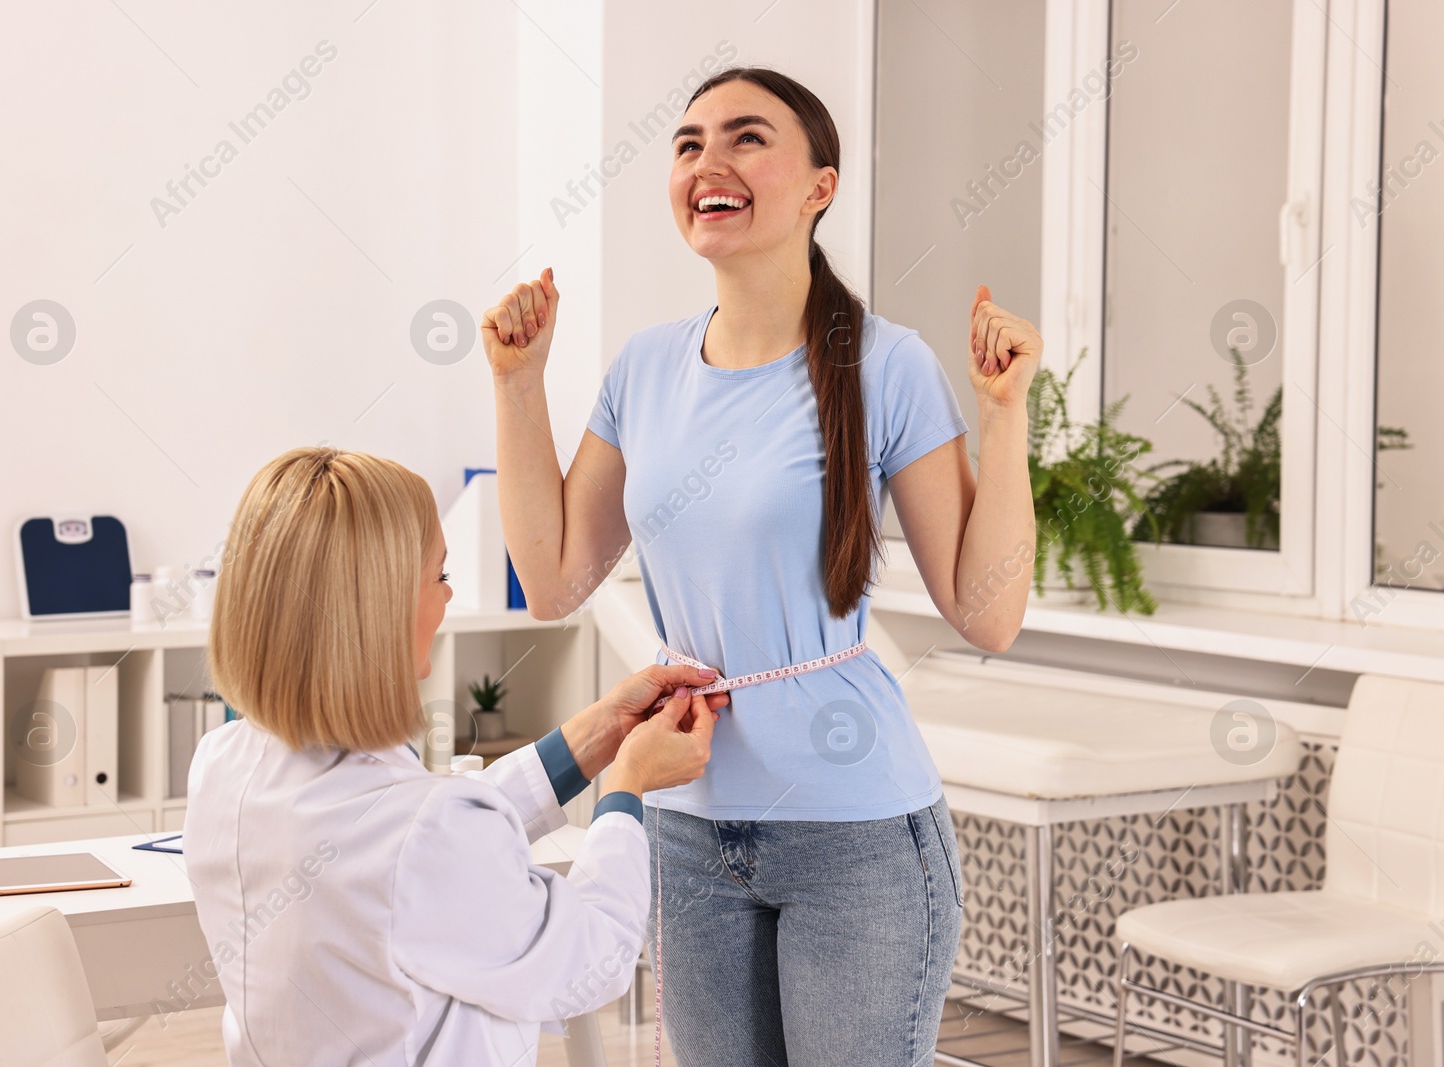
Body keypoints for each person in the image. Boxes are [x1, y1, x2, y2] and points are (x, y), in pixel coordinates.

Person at [481, 66, 1040, 1065]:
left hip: (853, 832)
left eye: (746, 138)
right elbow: (555, 580)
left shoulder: (885, 362)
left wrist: (1005, 418)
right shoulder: (642, 368)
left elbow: (986, 613)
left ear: (820, 186)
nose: (709, 162)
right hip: (689, 818)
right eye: (689, 143)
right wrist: (518, 384)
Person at [183, 446, 728, 1066]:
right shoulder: (426, 832)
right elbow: (589, 959)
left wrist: (597, 735)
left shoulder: (221, 763)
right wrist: (627, 788)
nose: (447, 599)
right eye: (439, 577)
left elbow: (432, 849)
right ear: (377, 612)